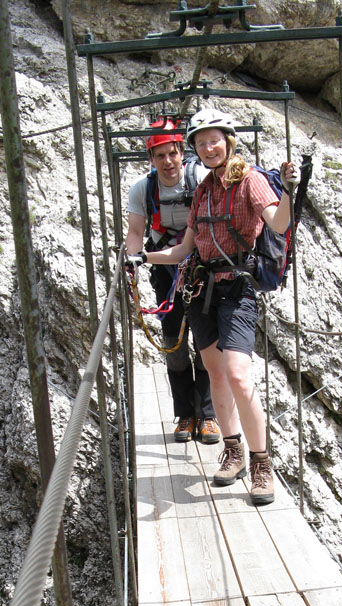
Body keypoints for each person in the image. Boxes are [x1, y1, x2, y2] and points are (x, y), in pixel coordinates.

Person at [127, 109, 298, 505]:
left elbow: (277, 223)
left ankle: (261, 462)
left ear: (228, 140)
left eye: (214, 140)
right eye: (201, 143)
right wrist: (142, 259)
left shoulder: (249, 180)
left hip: (237, 288)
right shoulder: (203, 190)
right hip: (202, 289)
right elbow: (185, 249)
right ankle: (234, 451)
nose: (208, 147)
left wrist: (290, 190)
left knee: (238, 374)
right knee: (217, 375)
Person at [125, 118, 220, 445]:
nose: (167, 161)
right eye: (160, 155)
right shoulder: (143, 188)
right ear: (151, 159)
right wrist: (133, 261)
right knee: (174, 343)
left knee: (207, 342)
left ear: (183, 154)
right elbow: (136, 233)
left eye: (172, 154)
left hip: (202, 269)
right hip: (164, 268)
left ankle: (207, 415)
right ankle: (186, 414)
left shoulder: (202, 180)